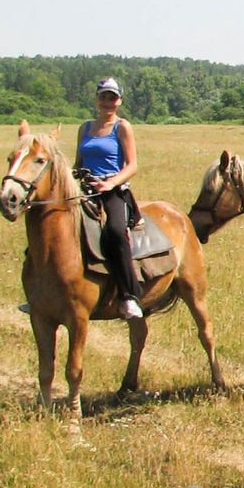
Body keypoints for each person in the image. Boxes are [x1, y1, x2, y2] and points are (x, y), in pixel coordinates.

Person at [77, 76, 145, 320]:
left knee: (115, 232)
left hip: (114, 191)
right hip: (85, 190)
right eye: (104, 96)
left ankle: (128, 296)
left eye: (112, 97)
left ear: (120, 101)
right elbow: (78, 163)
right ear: (97, 99)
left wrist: (109, 183)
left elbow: (132, 165)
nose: (108, 101)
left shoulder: (122, 127)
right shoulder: (85, 128)